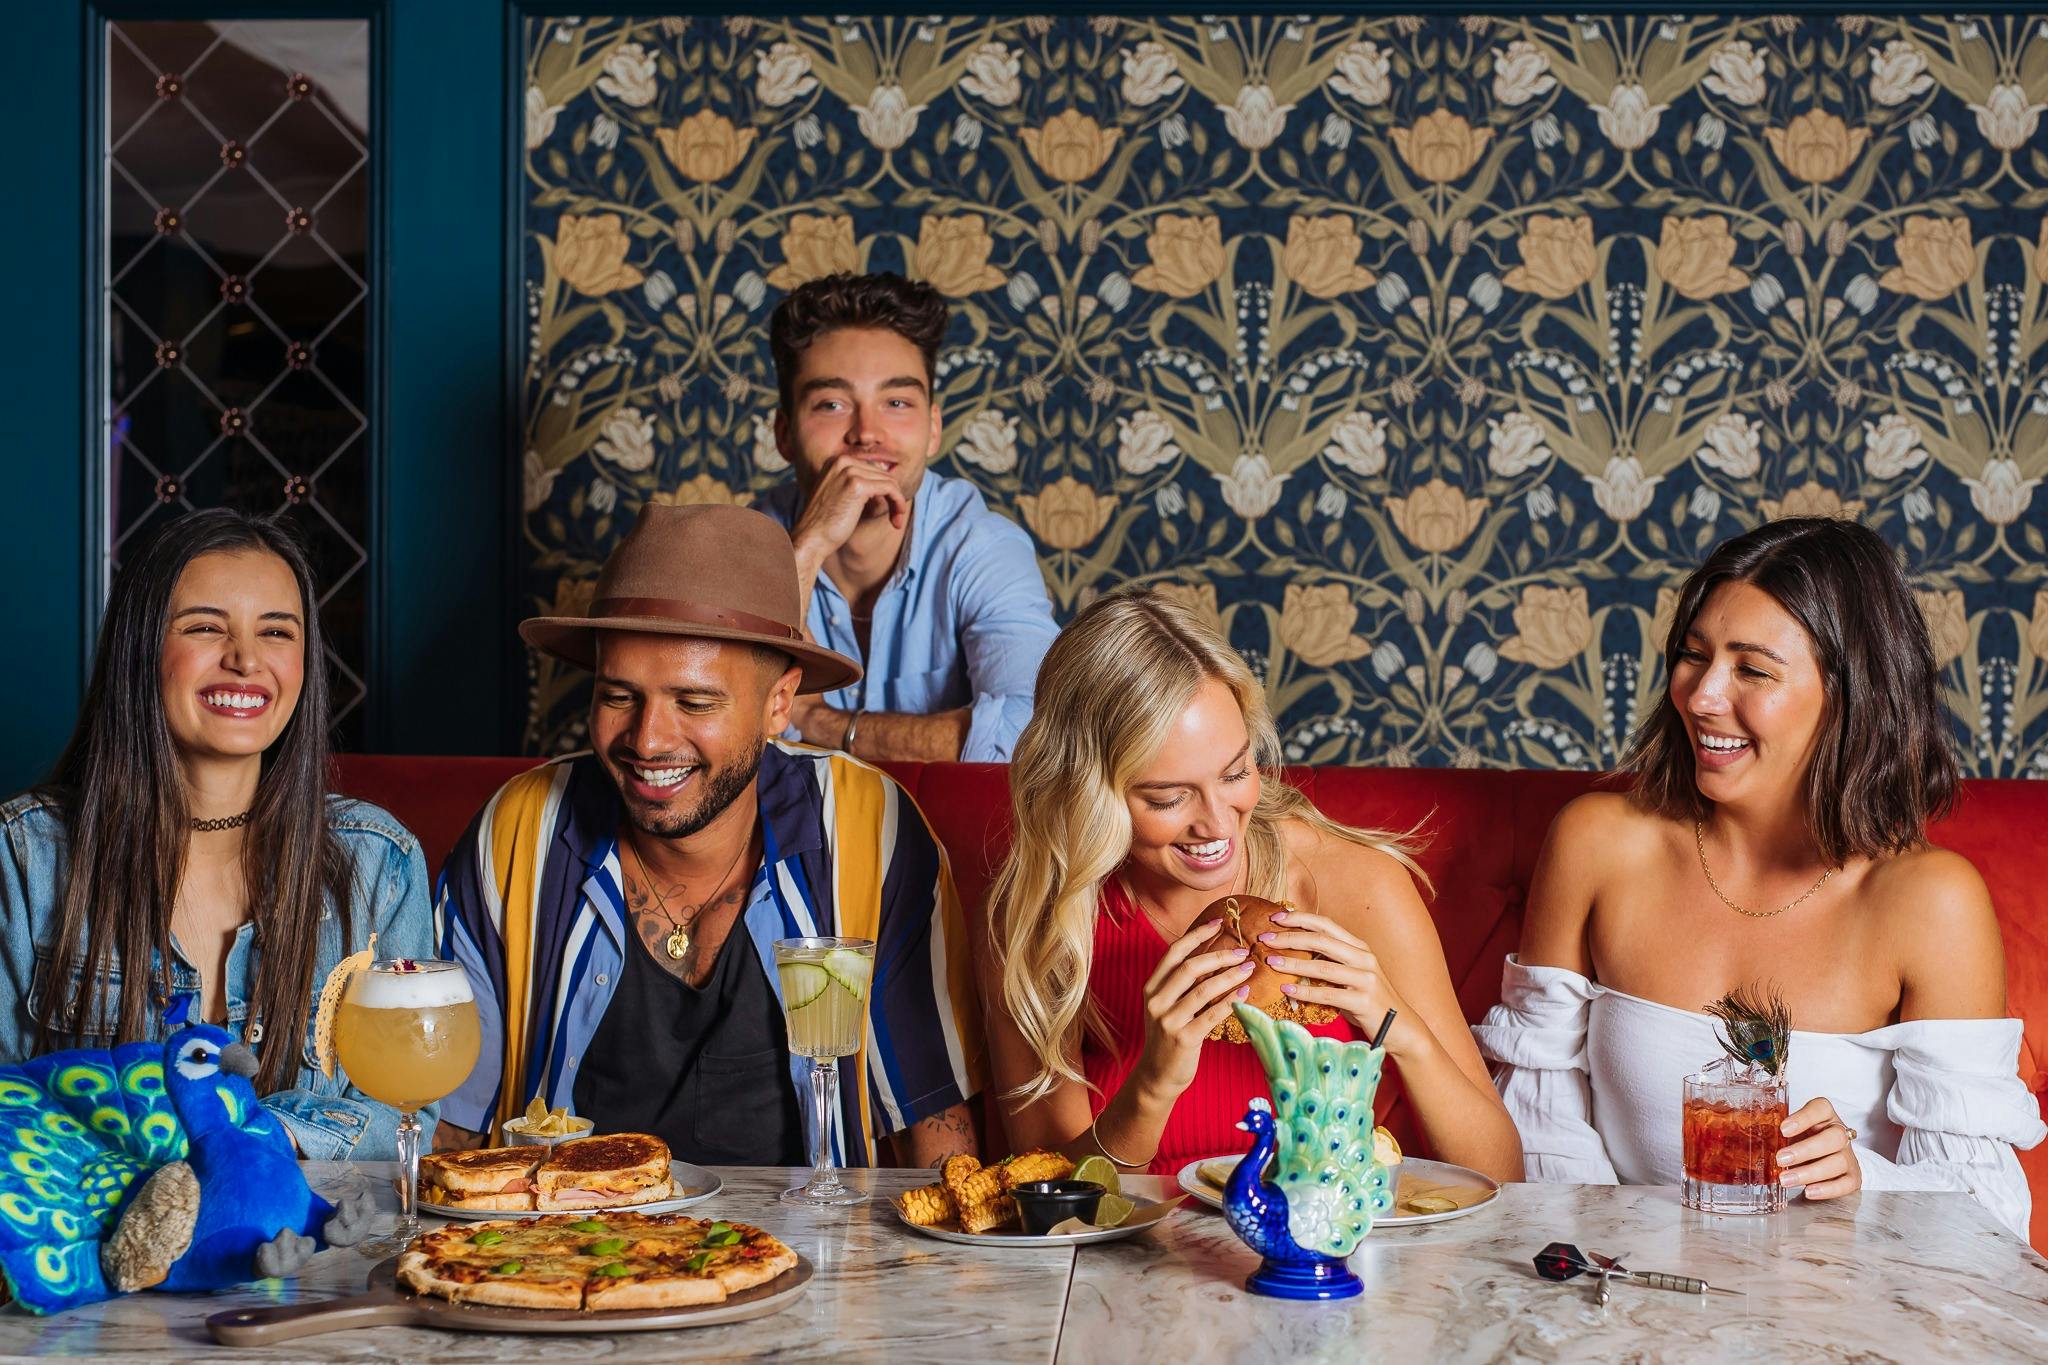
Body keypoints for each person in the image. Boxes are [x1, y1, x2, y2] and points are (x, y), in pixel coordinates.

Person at [1475, 517, 2045, 1239]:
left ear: (1851, 693)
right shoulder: (1599, 842)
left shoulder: (1929, 901)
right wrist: (1611, 1277)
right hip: (1628, 1298)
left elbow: (1984, 1217)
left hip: (1840, 1312)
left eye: (1752, 669)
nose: (1703, 695)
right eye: (1693, 654)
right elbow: (1540, 1122)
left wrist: (1866, 1180)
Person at [434, 503, 985, 1168]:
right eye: (618, 695)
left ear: (779, 704)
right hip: (559, 1252)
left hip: (815, 1260)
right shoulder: (520, 830)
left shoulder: (869, 831)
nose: (648, 739)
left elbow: (934, 1129)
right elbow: (449, 1124)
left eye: (694, 702)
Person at [983, 585, 1523, 1181]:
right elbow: (1050, 1201)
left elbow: (1501, 1172)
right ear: (1088, 796)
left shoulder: (1351, 883)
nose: (1217, 823)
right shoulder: (1041, 920)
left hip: (1329, 1261)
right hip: (1131, 1266)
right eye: (1168, 797)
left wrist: (1393, 1022)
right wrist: (1155, 1082)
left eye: (1236, 772)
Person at [0, 509, 433, 1157]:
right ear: (141, 649)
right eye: (205, 626)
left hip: (320, 1249)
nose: (246, 659)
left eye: (277, 632)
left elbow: (408, 1115)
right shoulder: (25, 855)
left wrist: (245, 1137)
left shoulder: (379, 861)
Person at [757, 271, 1058, 763]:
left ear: (933, 429)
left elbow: (1037, 733)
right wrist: (805, 550)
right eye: (831, 404)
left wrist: (816, 721)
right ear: (785, 434)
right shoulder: (742, 544)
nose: (867, 433)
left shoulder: (981, 546)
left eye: (896, 402)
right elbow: (712, 727)